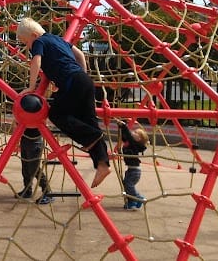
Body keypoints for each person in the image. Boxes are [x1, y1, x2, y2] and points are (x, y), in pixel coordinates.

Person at [16, 17, 111, 188]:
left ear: (33, 34)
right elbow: (80, 54)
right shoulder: (58, 39)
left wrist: (31, 87)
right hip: (84, 80)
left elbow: (36, 60)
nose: (28, 47)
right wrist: (82, 74)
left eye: (26, 42)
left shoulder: (39, 41)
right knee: (89, 121)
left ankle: (92, 137)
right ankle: (102, 165)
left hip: (72, 82)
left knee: (56, 114)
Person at [116, 119, 149, 210]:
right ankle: (132, 203)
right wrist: (121, 127)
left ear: (139, 139)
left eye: (136, 132)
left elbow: (129, 136)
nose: (133, 132)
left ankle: (139, 198)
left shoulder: (134, 144)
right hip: (130, 170)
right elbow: (124, 136)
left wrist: (124, 126)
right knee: (126, 186)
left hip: (135, 171)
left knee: (129, 185)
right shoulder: (129, 142)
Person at [17, 128, 54, 204]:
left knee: (34, 169)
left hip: (35, 142)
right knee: (25, 167)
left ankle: (47, 192)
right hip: (25, 140)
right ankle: (27, 190)